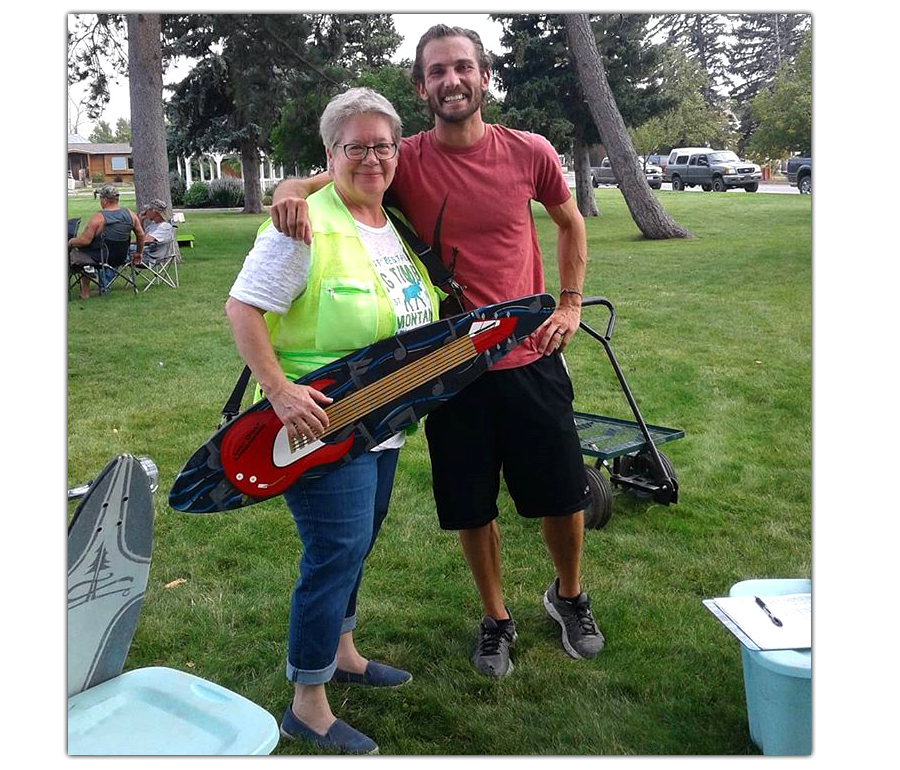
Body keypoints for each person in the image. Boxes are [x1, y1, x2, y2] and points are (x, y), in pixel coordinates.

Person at [270, 25, 604, 680]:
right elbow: (322, 179)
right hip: (448, 370)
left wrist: (569, 303)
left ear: (483, 77)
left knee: (563, 493)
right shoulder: (404, 160)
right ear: (421, 86)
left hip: (529, 354)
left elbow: (570, 222)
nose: (451, 81)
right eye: (437, 72)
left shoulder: (528, 151)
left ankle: (568, 596)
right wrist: (286, 193)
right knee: (470, 503)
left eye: (463, 68)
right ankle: (496, 617)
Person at [226, 87, 441, 754]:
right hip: (322, 428)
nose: (372, 158)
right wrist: (280, 391)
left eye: (383, 145)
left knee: (358, 545)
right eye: (356, 147)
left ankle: (343, 651)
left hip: (384, 422)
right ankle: (307, 702)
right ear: (331, 154)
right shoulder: (303, 222)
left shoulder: (389, 220)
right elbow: (243, 308)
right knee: (333, 555)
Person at [69, 184, 145, 299]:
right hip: (121, 257)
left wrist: (71, 242)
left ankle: (85, 290)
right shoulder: (131, 215)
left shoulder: (98, 217)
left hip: (99, 257)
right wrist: (139, 252)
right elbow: (141, 234)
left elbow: (85, 241)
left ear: (104, 200)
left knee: (73, 255)